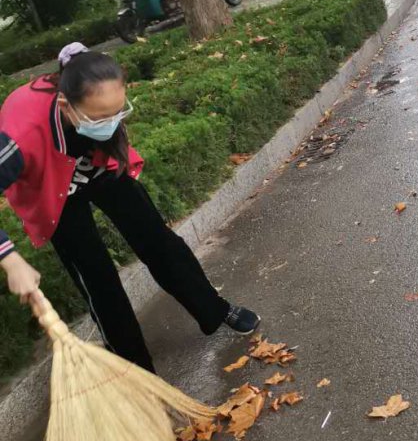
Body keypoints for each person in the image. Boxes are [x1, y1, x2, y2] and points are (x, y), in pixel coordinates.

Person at [0, 44, 260, 372]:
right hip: (53, 188)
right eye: (100, 117)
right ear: (67, 106)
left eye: (117, 113)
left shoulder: (101, 98)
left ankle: (214, 309)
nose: (111, 124)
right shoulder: (20, 135)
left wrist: (106, 124)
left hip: (97, 166)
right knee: (96, 275)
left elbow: (107, 124)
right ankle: (136, 368)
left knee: (157, 239)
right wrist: (11, 261)